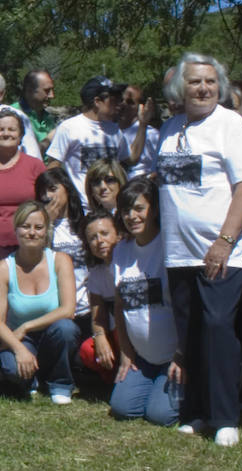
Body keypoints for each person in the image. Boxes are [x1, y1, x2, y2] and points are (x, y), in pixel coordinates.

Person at [156, 51, 242, 447]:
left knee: (218, 327)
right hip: (179, 250)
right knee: (192, 330)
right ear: (180, 89)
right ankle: (196, 411)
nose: (202, 88)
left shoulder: (231, 125)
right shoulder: (169, 128)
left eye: (209, 81)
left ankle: (225, 416)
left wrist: (225, 241)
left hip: (222, 250)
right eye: (195, 82)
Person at [105, 178, 181, 426]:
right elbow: (119, 306)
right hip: (143, 359)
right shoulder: (121, 250)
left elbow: (186, 308)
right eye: (126, 210)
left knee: (160, 415)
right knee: (122, 408)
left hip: (174, 357)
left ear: (155, 210)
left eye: (139, 208)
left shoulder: (170, 246)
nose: (132, 216)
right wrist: (126, 352)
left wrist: (183, 356)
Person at [0, 201, 80, 403]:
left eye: (38, 227)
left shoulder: (60, 260)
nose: (32, 232)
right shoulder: (3, 268)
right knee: (13, 369)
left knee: (66, 328)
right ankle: (32, 381)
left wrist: (27, 326)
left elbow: (68, 310)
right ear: (16, 229)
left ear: (46, 231)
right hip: (22, 340)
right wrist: (19, 348)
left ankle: (60, 383)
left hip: (52, 335)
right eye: (26, 226)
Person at [46, 75, 151, 205]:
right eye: (114, 100)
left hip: (111, 208)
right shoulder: (69, 128)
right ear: (97, 101)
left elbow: (132, 158)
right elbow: (53, 167)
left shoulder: (114, 130)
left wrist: (143, 124)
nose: (120, 103)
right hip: (81, 209)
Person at [0, 107, 47, 259]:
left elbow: (48, 205)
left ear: (21, 135)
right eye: (0, 129)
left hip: (30, 244)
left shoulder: (35, 167)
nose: (6, 133)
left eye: (11, 129)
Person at [36, 168, 89, 323]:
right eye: (42, 192)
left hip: (89, 306)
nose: (47, 196)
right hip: (58, 310)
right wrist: (47, 223)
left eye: (53, 189)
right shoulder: (39, 226)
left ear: (67, 189)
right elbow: (38, 260)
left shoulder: (85, 221)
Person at [77, 207, 121, 385]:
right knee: (88, 350)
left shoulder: (129, 263)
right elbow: (98, 316)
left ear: (118, 234)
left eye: (104, 233)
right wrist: (100, 337)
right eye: (93, 238)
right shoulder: (96, 274)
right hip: (113, 334)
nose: (99, 241)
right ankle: (112, 380)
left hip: (134, 334)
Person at [117, 84, 158, 178]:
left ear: (140, 107)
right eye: (121, 100)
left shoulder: (151, 134)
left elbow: (161, 166)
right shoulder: (111, 132)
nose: (123, 105)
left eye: (130, 102)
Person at [14, 69, 57, 154]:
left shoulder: (48, 117)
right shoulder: (13, 114)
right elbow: (22, 154)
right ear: (30, 91)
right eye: (47, 91)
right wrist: (50, 138)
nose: (52, 96)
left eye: (52, 90)